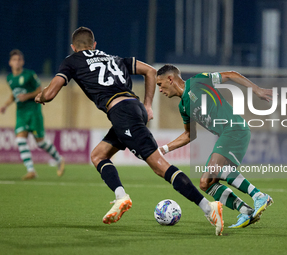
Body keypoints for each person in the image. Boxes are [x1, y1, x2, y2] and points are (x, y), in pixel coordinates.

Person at [35, 27, 224, 236]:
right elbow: (151, 71)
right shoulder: (115, 58)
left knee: (160, 167)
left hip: (122, 113)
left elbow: (51, 93)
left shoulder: (72, 60)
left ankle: (208, 207)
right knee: (98, 155)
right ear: (94, 45)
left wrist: (41, 96)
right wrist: (148, 106)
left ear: (73, 47)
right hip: (132, 109)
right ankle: (121, 196)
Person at [156, 64, 274, 228]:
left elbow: (231, 74)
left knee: (214, 168)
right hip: (227, 134)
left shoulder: (197, 81)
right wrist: (163, 149)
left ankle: (259, 196)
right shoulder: (183, 107)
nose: (160, 90)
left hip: (234, 128)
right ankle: (246, 211)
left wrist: (256, 89)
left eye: (159, 84)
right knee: (206, 183)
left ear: (170, 79)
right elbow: (190, 135)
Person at [1, 49, 65, 180]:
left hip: (33, 112)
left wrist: (27, 96)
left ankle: (59, 159)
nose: (17, 62)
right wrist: (5, 106)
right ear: (10, 63)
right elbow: (14, 95)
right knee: (20, 139)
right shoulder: (9, 78)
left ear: (22, 62)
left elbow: (39, 90)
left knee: (40, 143)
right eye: (14, 60)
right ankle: (31, 170)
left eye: (19, 60)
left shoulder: (29, 75)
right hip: (21, 113)